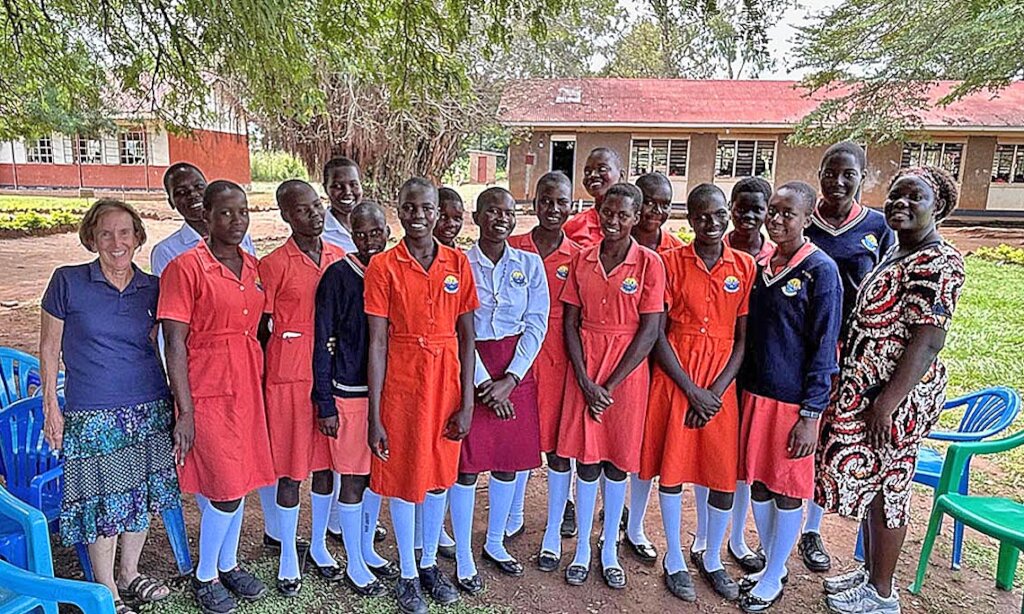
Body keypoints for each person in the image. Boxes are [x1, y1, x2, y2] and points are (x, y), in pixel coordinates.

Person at [816, 166, 964, 614]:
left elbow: (928, 339)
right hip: (871, 393)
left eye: (912, 197)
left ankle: (882, 593)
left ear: (936, 206)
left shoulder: (938, 261)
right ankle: (868, 576)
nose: (900, 203)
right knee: (872, 485)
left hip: (895, 400)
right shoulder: (899, 252)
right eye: (895, 196)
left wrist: (887, 403)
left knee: (889, 490)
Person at [40, 200, 179, 614]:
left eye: (124, 233)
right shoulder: (68, 282)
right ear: (92, 238)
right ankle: (106, 591)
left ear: (137, 236)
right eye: (105, 233)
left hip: (150, 405)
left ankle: (129, 573)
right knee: (104, 504)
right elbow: (49, 349)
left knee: (141, 496)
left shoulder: (153, 287)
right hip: (94, 412)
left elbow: (171, 346)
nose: (116, 242)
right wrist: (52, 406)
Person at [159, 181, 276, 614]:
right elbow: (173, 341)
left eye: (243, 212)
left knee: (240, 479)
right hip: (206, 387)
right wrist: (184, 410)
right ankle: (205, 575)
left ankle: (227, 564)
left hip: (246, 381)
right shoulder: (186, 267)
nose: (236, 221)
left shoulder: (253, 265)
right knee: (224, 486)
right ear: (204, 216)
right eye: (225, 213)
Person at [364, 178, 479, 614]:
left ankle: (430, 562)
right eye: (409, 208)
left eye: (426, 208)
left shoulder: (457, 262)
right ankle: (409, 572)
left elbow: (468, 337)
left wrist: (466, 403)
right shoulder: (384, 266)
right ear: (399, 210)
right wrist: (375, 414)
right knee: (405, 475)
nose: (418, 216)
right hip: (403, 381)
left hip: (446, 381)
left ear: (438, 212)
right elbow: (377, 342)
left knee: (438, 476)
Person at [640, 183, 754, 603]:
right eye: (703, 216)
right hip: (677, 377)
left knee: (721, 474)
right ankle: (674, 557)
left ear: (728, 216)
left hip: (721, 382)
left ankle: (709, 555)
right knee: (673, 470)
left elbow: (743, 339)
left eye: (719, 215)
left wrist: (716, 391)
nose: (713, 223)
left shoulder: (743, 266)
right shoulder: (669, 262)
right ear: (689, 220)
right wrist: (690, 390)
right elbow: (658, 334)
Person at [737, 181, 843, 613]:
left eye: (788, 214)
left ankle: (775, 572)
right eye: (773, 211)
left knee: (786, 490)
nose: (777, 220)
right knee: (759, 484)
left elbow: (825, 345)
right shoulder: (762, 263)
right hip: (756, 393)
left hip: (793, 402)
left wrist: (811, 413)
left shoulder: (821, 271)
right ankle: (772, 564)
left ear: (808, 217)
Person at [558, 183, 666, 590]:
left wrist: (611, 382)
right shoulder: (583, 259)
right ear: (598, 211)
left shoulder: (649, 263)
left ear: (636, 217)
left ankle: (609, 548)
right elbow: (570, 321)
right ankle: (582, 548)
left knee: (617, 461)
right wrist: (586, 380)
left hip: (627, 372)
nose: (615, 221)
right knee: (586, 460)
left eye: (624, 215)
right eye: (609, 213)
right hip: (585, 366)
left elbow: (651, 329)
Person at [801, 141, 896, 572]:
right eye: (830, 172)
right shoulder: (803, 221)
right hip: (800, 346)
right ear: (819, 173)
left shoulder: (878, 226)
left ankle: (811, 531)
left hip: (853, 351)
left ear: (863, 177)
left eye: (848, 174)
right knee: (796, 432)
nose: (838, 182)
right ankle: (776, 526)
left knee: (829, 439)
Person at [450, 187, 549, 594]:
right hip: (471, 366)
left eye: (508, 212)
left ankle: (494, 543)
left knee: (509, 463)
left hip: (515, 372)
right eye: (492, 211)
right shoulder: (459, 264)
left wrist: (510, 379)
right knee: (468, 467)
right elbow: (456, 327)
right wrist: (480, 384)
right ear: (477, 217)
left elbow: (537, 322)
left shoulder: (530, 263)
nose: (501, 218)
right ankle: (462, 556)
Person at [257, 180, 346, 596]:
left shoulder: (340, 257)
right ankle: (289, 552)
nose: (313, 214)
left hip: (331, 375)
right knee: (292, 469)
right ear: (286, 216)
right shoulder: (273, 264)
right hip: (287, 378)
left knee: (327, 465)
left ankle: (320, 546)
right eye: (302, 209)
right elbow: (260, 327)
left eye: (316, 206)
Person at [313, 201, 397, 597]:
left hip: (390, 393)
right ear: (350, 234)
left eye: (375, 232)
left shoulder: (395, 269)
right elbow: (322, 341)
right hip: (350, 393)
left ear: (387, 230)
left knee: (375, 477)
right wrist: (325, 401)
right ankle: (355, 563)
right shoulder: (338, 277)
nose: (369, 240)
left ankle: (366, 548)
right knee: (352, 477)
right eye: (360, 233)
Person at [692, 176, 774, 577]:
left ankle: (736, 538)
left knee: (736, 460)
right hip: (710, 369)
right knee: (709, 451)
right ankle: (702, 538)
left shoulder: (772, 257)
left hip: (754, 368)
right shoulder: (715, 255)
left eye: (754, 209)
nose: (745, 217)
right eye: (738, 208)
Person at [508, 171, 584, 566]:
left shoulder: (578, 255)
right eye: (545, 201)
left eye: (561, 202)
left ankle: (554, 529)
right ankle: (514, 513)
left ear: (572, 205)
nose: (553, 209)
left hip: (558, 357)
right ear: (534, 203)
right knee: (517, 438)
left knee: (556, 447)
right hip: (517, 355)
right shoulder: (514, 247)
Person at [150, 163, 256, 276]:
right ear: (171, 202)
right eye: (181, 192)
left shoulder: (240, 235)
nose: (193, 194)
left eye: (199, 187)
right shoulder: (166, 251)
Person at [562, 147, 626, 247]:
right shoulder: (574, 225)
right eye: (587, 172)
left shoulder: (634, 224)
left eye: (602, 169)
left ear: (621, 176)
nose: (593, 175)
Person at [632, 172, 684, 254]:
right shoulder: (615, 243)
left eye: (665, 205)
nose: (658, 210)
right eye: (649, 203)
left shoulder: (677, 251)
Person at [322, 157, 363, 253]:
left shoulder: (374, 222)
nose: (347, 192)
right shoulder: (319, 232)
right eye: (337, 186)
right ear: (325, 188)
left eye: (353, 184)